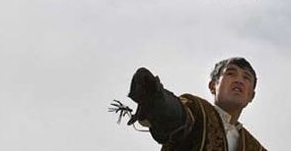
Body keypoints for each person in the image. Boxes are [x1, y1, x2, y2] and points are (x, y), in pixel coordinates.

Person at [111, 57, 266, 151]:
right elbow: (179, 116)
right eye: (231, 73)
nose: (239, 80)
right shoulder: (197, 109)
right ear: (213, 85)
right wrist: (156, 99)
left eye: (246, 78)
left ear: (251, 95)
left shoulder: (254, 147)